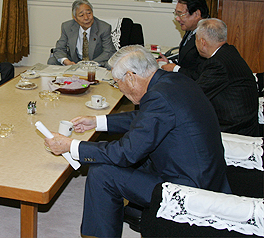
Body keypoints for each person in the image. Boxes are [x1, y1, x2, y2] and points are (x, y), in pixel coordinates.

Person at [45, 45, 231, 237]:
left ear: (131, 77)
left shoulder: (159, 97)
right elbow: (147, 119)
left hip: (187, 186)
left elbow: (126, 153)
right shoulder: (173, 81)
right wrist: (97, 122)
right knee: (113, 168)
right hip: (203, 172)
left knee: (103, 174)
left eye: (118, 82)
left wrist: (72, 146)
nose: (119, 88)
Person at [194, 18, 259, 136]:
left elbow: (195, 94)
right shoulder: (228, 52)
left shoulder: (217, 64)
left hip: (234, 128)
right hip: (244, 123)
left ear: (202, 42)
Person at [47, 0, 116, 68]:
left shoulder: (104, 28)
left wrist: (90, 64)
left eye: (89, 13)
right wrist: (66, 61)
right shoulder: (67, 27)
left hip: (96, 62)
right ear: (75, 18)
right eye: (81, 15)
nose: (86, 18)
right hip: (74, 62)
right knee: (52, 61)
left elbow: (109, 51)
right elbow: (59, 48)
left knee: (110, 65)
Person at [159, 0, 208, 80]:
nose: (177, 18)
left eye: (181, 14)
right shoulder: (191, 29)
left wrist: (175, 68)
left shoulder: (208, 37)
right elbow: (187, 61)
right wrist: (169, 63)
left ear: (197, 14)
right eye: (176, 14)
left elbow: (200, 75)